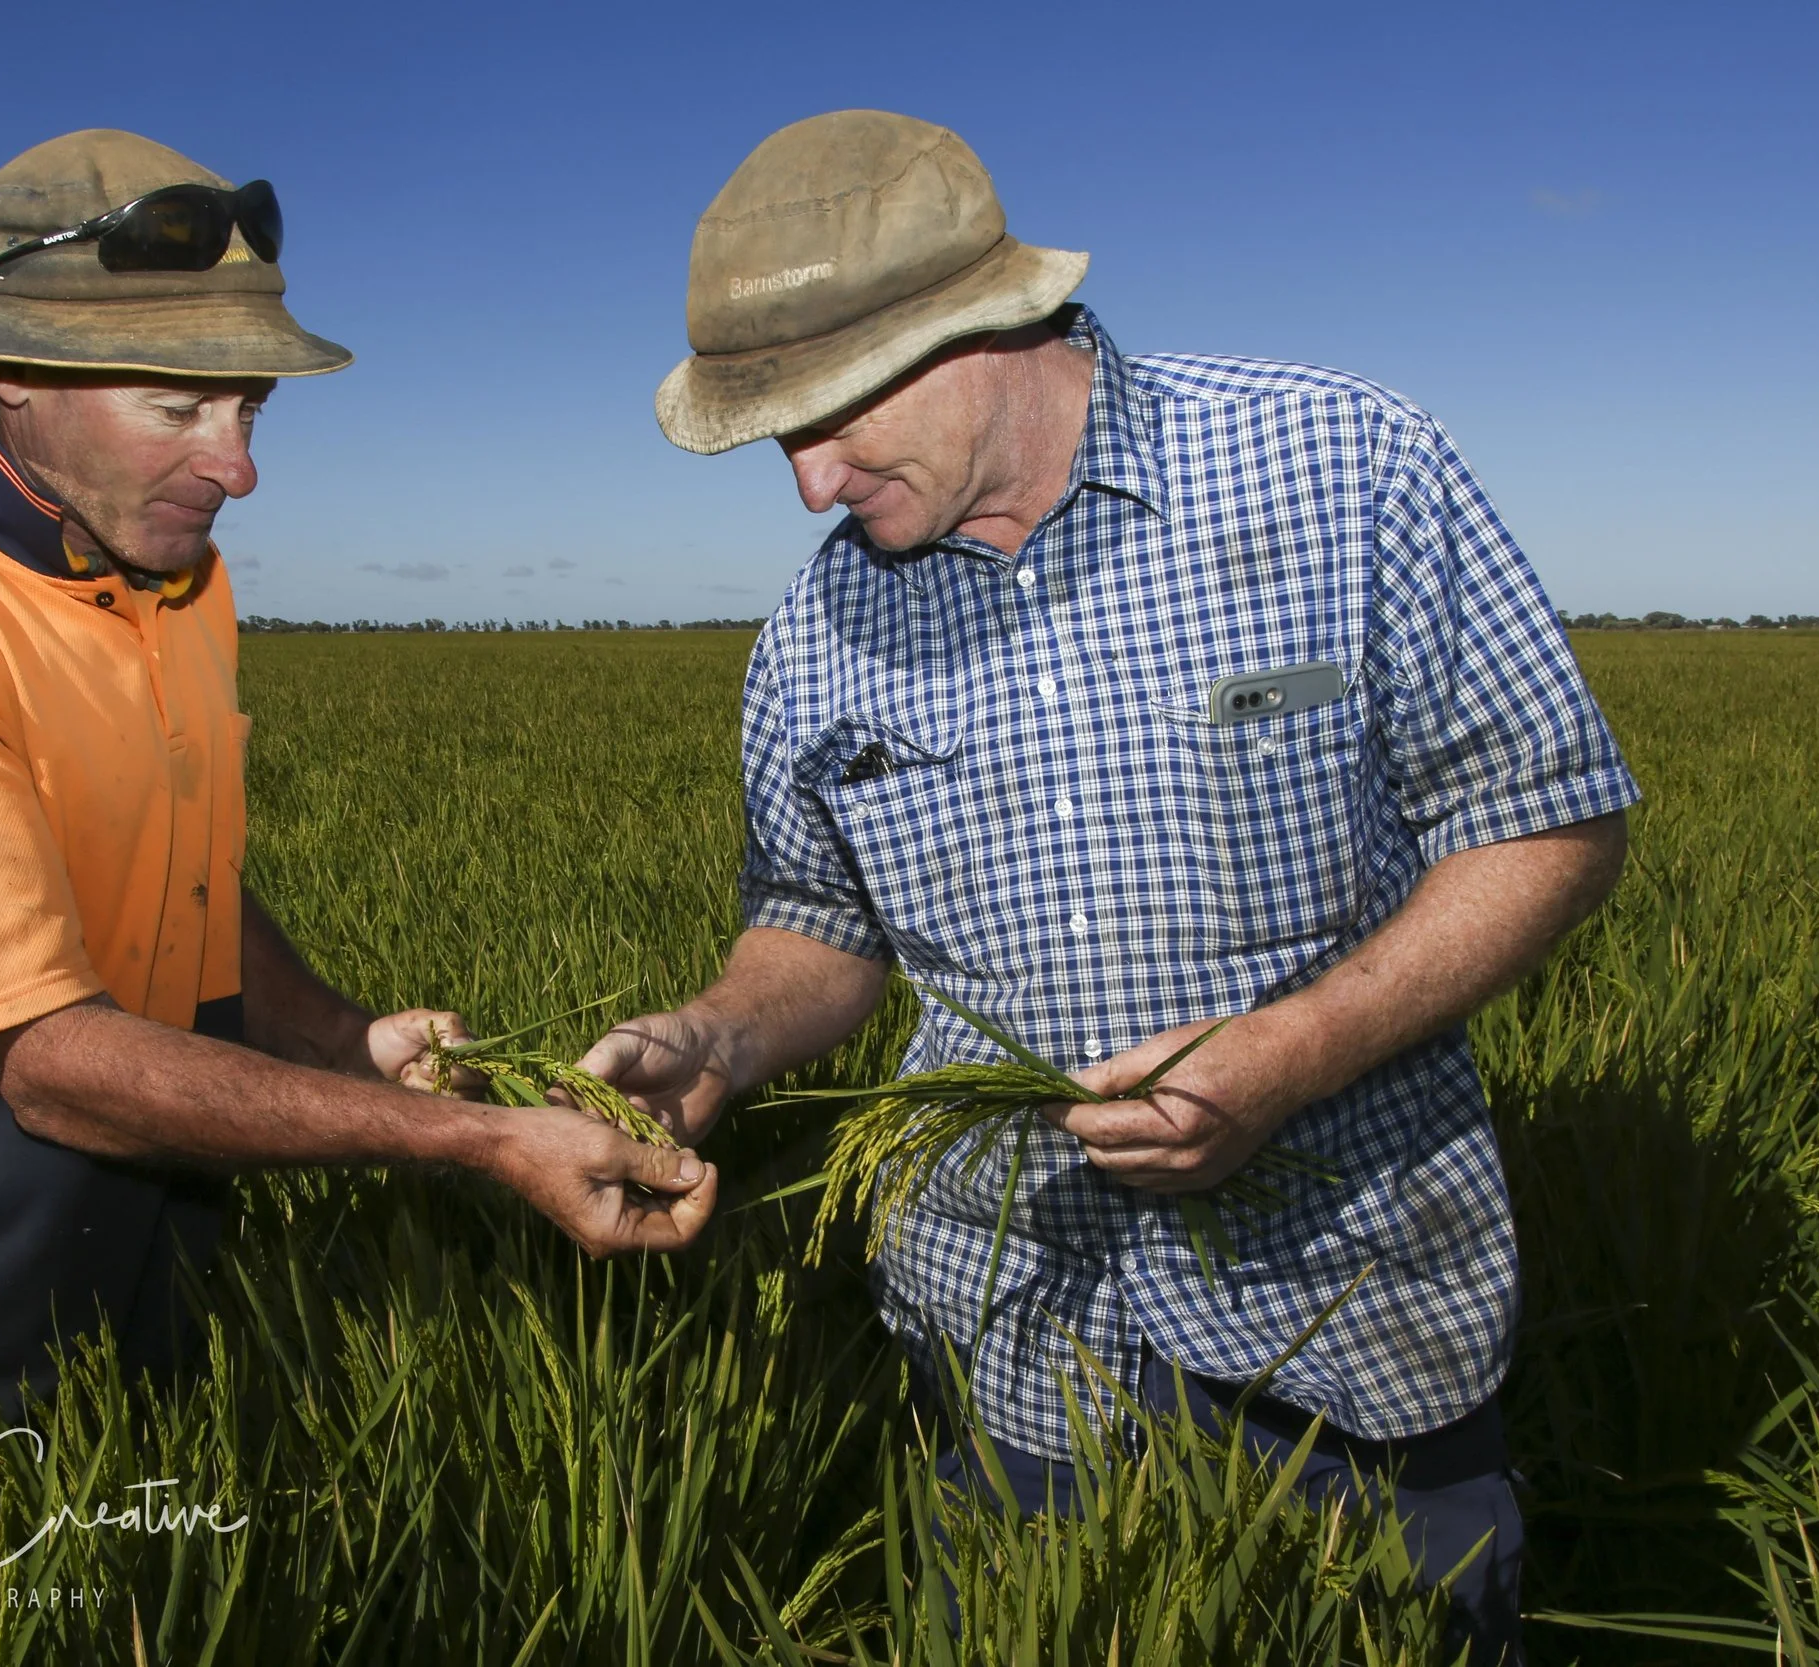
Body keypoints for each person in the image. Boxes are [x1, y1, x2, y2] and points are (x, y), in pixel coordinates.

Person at [582, 109, 1636, 1661]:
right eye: (774, 441)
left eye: (829, 417)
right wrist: (721, 1037)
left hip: (1350, 1320)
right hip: (1007, 1349)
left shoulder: (1344, 464)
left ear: (979, 327)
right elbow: (819, 924)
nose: (807, 485)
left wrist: (1292, 1054)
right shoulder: (811, 642)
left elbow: (1552, 821)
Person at [0, 129, 715, 1496]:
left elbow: (191, 877)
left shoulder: (170, 580)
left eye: (249, 407)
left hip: (158, 1264)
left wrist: (345, 1041)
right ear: (10, 373)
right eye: (179, 410)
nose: (235, 468)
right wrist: (477, 1136)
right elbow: (46, 1057)